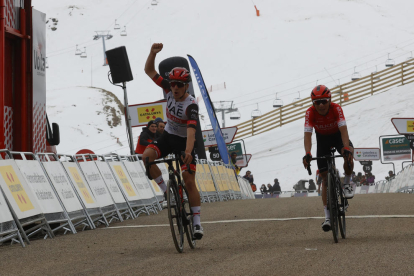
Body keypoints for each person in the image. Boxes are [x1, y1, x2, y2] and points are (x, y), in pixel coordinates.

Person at [142, 43, 203, 239]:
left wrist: (188, 152)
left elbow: (192, 132)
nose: (175, 88)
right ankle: (166, 191)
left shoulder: (191, 105)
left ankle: (197, 223)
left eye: (179, 85)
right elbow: (149, 70)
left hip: (185, 141)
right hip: (168, 136)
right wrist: (152, 53)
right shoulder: (167, 87)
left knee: (189, 181)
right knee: (146, 157)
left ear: (186, 86)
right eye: (173, 84)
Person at [302, 85, 354, 233]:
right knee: (324, 179)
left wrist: (346, 149)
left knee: (349, 156)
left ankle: (347, 184)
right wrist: (307, 152)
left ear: (329, 100)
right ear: (313, 103)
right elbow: (308, 135)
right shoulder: (310, 113)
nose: (321, 105)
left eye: (324, 101)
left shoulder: (336, 109)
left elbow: (344, 131)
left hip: (338, 136)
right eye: (317, 102)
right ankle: (327, 217)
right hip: (322, 140)